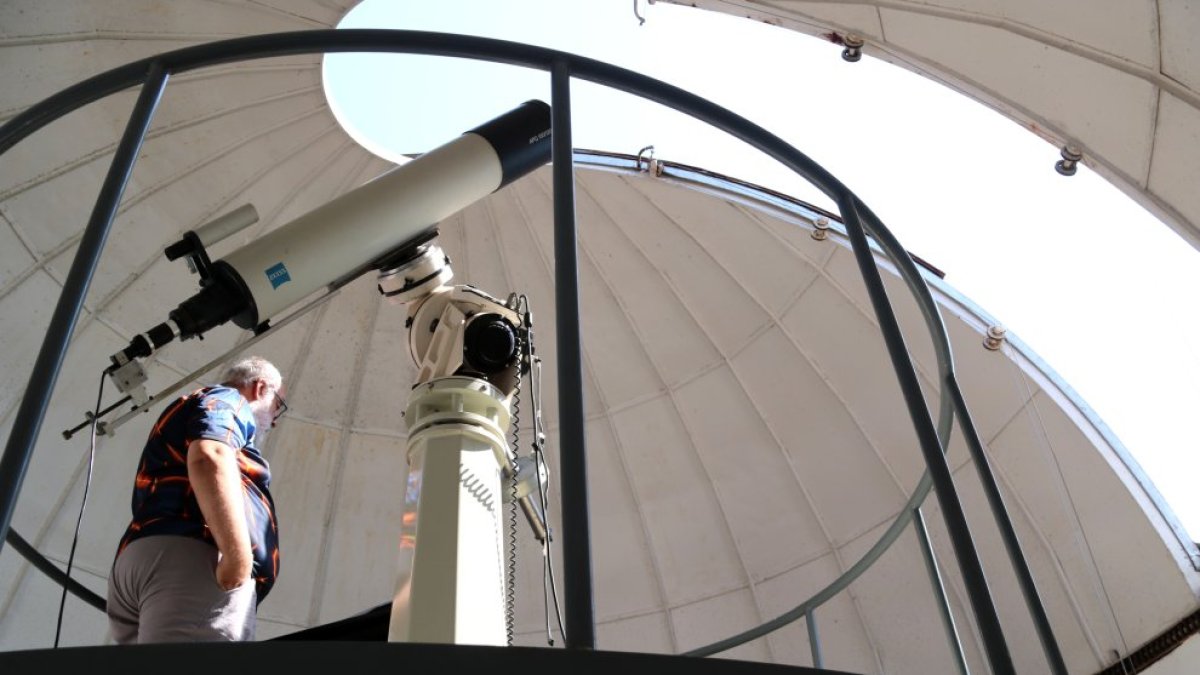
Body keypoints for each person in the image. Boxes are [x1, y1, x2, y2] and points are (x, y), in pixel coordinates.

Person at [106, 356, 286, 643]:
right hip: (194, 560)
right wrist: (238, 556)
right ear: (260, 388)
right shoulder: (229, 400)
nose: (275, 421)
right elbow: (210, 457)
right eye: (278, 405)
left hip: (146, 559)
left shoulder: (191, 406)